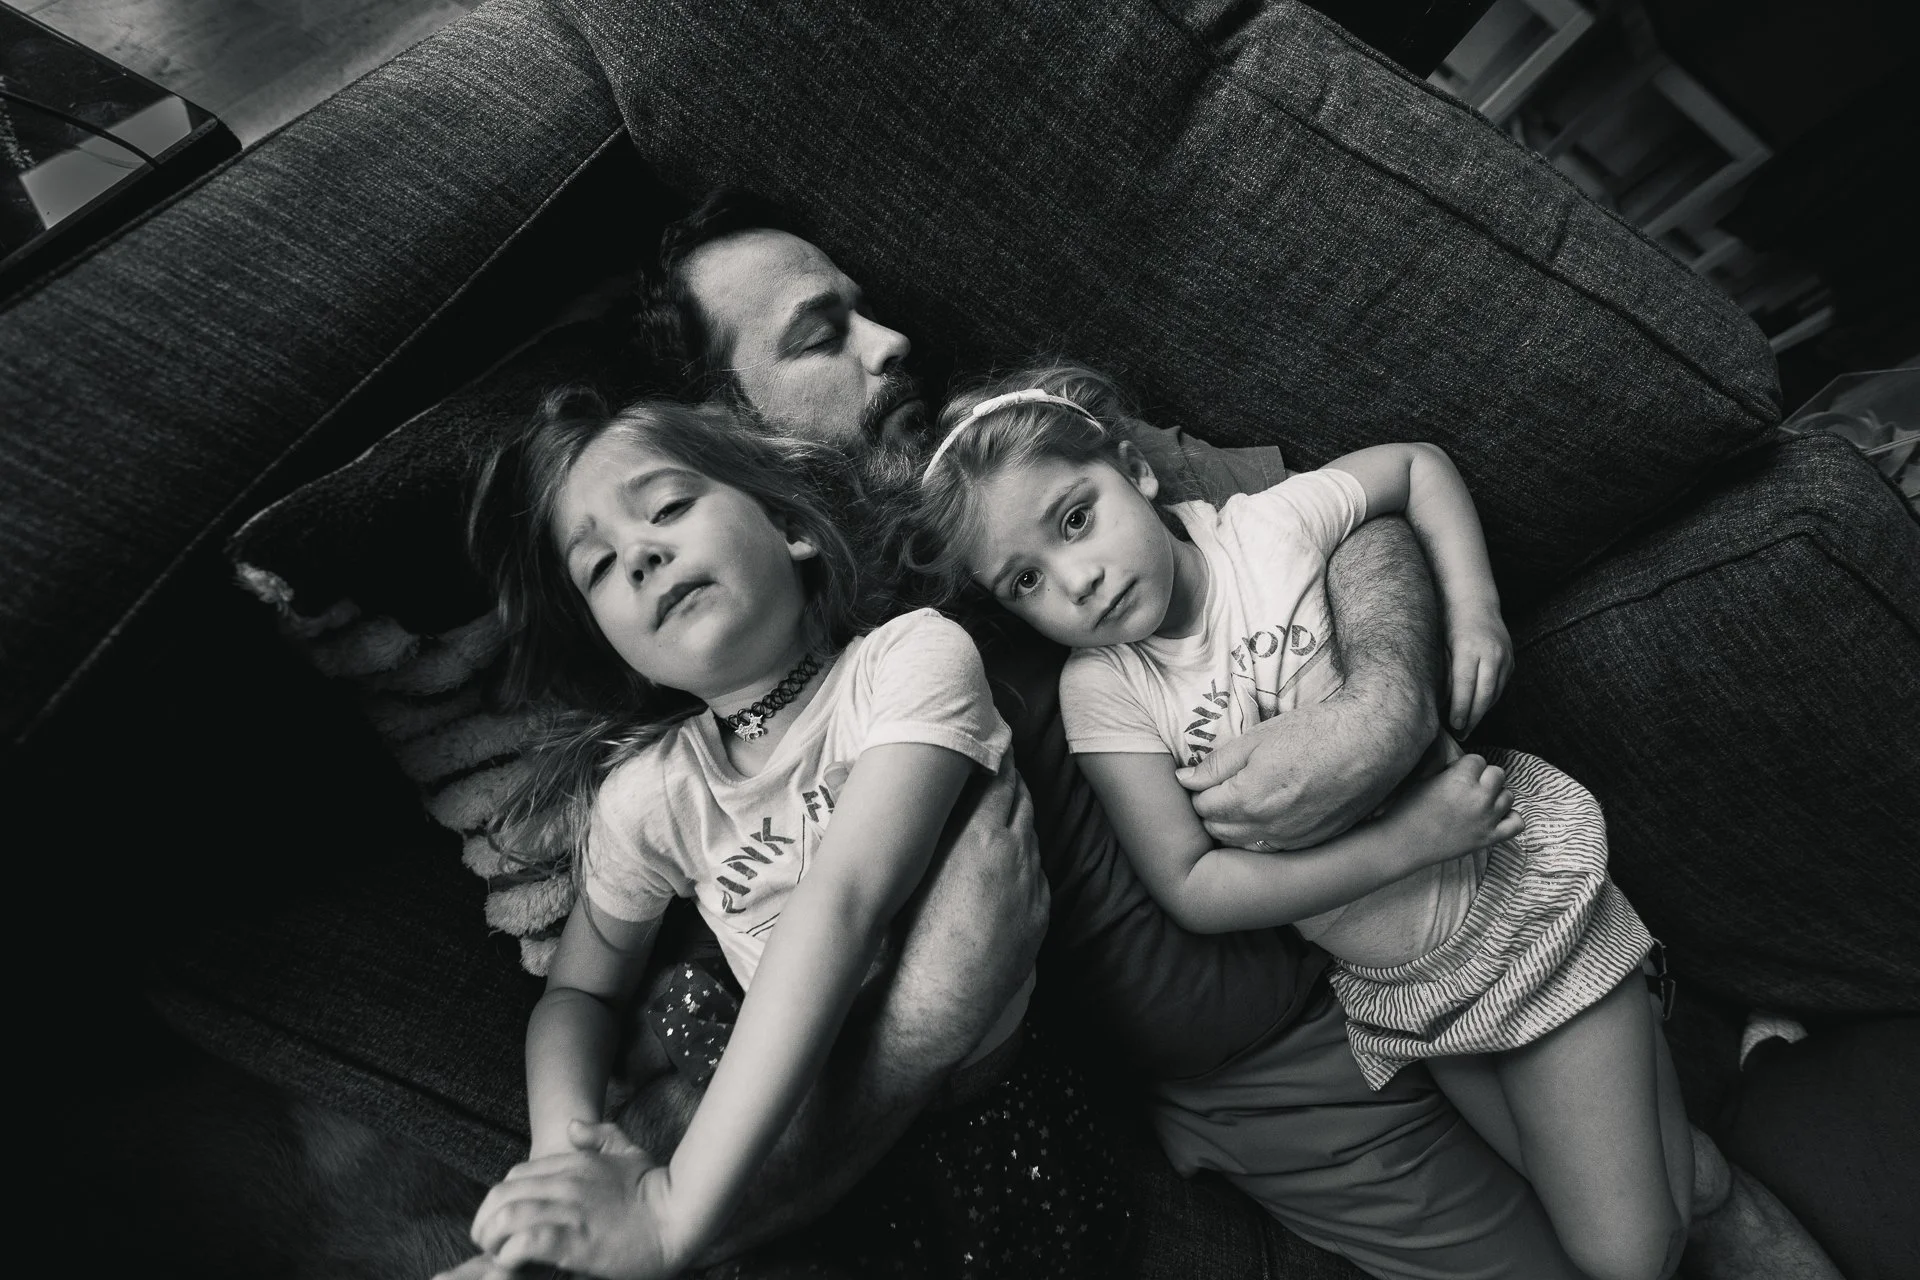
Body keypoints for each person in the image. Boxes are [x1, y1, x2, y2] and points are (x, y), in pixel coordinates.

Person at [605, 190, 1620, 1279]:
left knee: (1663, 1191)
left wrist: (1379, 703)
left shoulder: (1024, 452)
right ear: (730, 432)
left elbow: (1334, 514)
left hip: (1414, 922)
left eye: (866, 308)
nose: (891, 342)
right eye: (823, 335)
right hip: (1267, 1063)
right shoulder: (779, 691)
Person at [906, 364, 1710, 1280]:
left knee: (1626, 1256)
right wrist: (1409, 841)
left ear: (1135, 468)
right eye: (1025, 580)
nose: (1076, 582)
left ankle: (1641, 1018)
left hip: (1506, 908)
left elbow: (1415, 467)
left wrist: (1476, 612)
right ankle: (1692, 1089)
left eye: (1076, 519)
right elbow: (1193, 888)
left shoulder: (1269, 529)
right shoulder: (1107, 691)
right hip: (1402, 992)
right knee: (1639, 1200)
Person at [445, 391, 1125, 1279]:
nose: (643, 554)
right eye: (601, 567)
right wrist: (567, 1151)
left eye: (668, 508)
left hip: (980, 1132)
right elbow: (579, 998)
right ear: (615, 645)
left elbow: (842, 904)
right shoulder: (652, 795)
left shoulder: (908, 662)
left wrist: (674, 1212)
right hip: (775, 1123)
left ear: (790, 525)